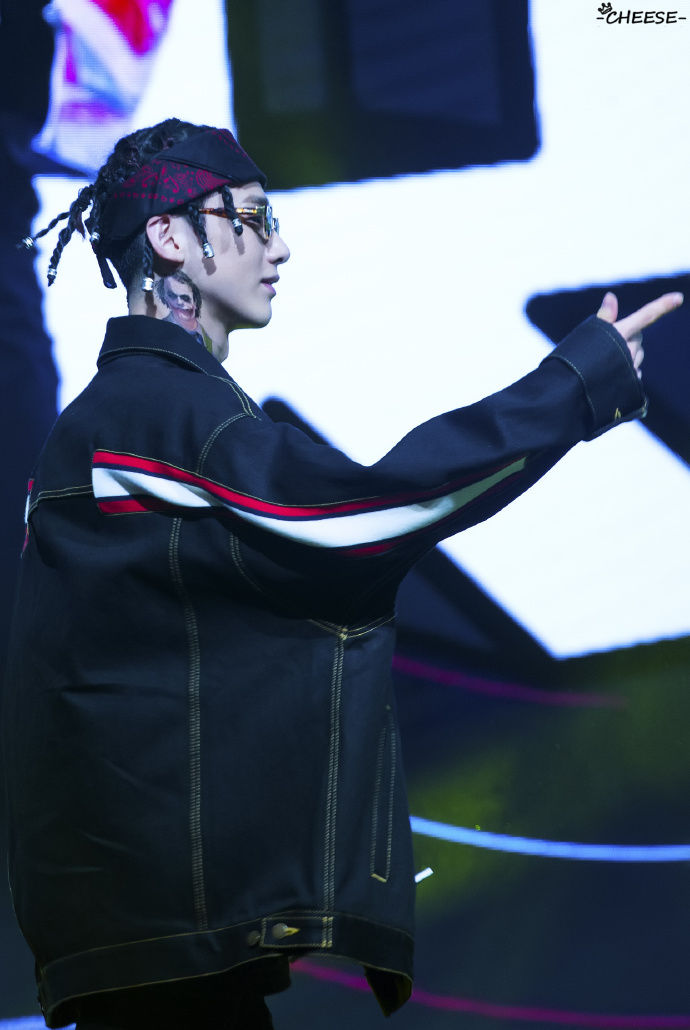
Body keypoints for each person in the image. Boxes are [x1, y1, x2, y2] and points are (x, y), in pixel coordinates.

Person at [3, 117, 682, 1030]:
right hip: (171, 949)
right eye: (253, 217)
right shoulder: (154, 413)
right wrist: (573, 388)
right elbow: (364, 513)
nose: (279, 247)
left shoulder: (125, 416)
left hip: (155, 941)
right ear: (169, 236)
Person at [155, 270, 214, 352]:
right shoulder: (161, 331)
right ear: (165, 299)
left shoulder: (205, 334)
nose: (179, 302)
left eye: (184, 297)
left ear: (195, 299)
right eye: (172, 296)